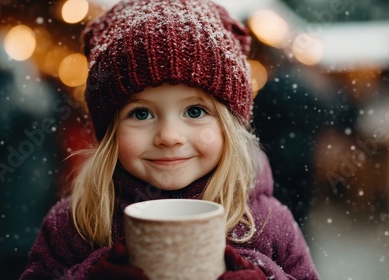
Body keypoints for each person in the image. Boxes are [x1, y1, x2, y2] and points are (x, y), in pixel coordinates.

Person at [20, 0, 319, 279]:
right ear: (110, 131)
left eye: (195, 110)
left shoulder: (270, 223)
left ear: (228, 126)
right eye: (140, 114)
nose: (169, 137)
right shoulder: (73, 225)